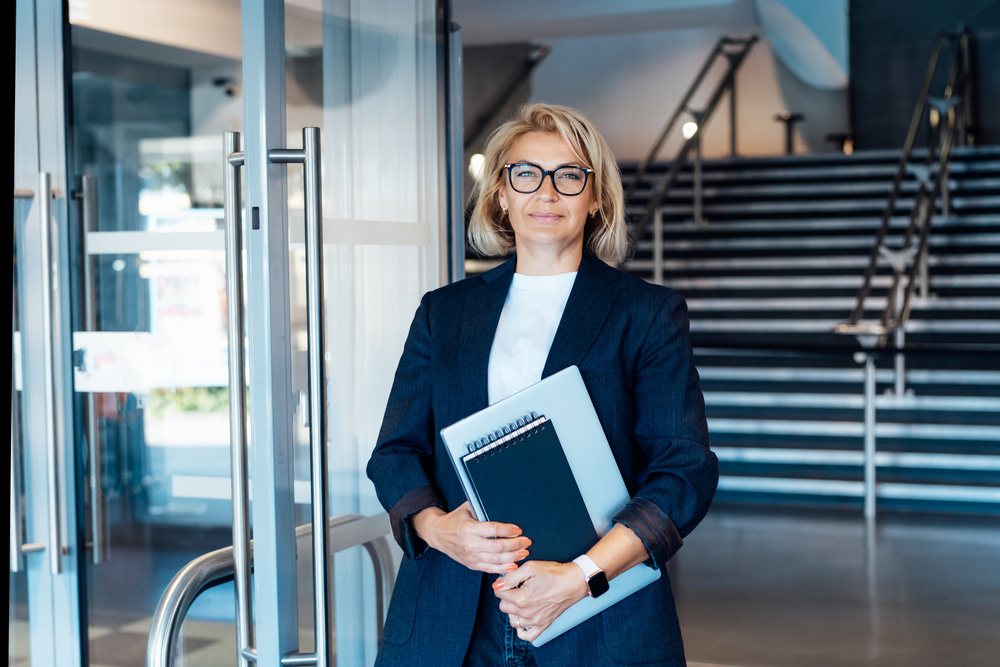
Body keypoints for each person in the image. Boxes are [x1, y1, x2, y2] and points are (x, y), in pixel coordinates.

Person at [366, 103, 718, 666]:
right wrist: (436, 528)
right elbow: (395, 452)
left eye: (569, 175)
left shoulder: (646, 313)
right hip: (452, 611)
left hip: (597, 614)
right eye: (526, 174)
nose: (546, 193)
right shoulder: (444, 313)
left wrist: (581, 577)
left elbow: (684, 470)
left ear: (595, 197)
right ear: (500, 194)